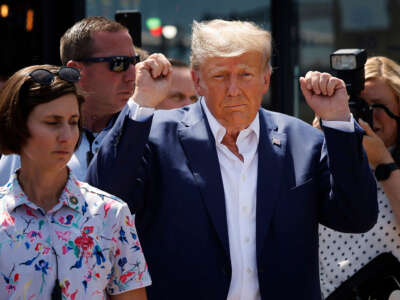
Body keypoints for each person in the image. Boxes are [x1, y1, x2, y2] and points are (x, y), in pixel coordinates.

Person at [87, 19, 378, 300]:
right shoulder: (155, 134)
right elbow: (104, 199)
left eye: (245, 74)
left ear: (266, 79)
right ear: (197, 80)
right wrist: (141, 104)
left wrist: (338, 122)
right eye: (220, 76)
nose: (233, 89)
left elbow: (356, 216)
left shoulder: (303, 141)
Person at [0, 64, 150, 299]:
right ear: (17, 126)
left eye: (73, 121)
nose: (67, 136)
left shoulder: (111, 213)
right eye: (52, 122)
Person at [0, 16, 154, 183]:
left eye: (134, 62)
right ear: (76, 70)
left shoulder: (147, 128)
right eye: (119, 64)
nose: (132, 76)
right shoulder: (34, 141)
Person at [318, 56, 400, 298]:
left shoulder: (390, 165)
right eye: (356, 105)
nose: (365, 115)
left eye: (377, 105)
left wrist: (383, 162)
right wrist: (317, 144)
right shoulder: (329, 161)